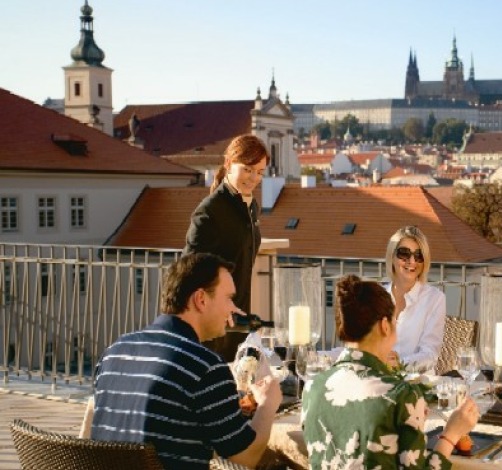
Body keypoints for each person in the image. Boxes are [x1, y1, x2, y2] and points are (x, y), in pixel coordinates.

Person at [91, 253, 282, 469]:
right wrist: (268, 404)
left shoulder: (114, 352)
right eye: (229, 298)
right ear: (201, 299)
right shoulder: (205, 367)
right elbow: (245, 457)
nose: (233, 309)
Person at [302, 274, 478, 469]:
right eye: (395, 321)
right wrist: (451, 434)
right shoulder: (401, 396)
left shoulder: (312, 388)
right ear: (385, 326)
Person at [184, 134, 269, 361]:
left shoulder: (250, 207)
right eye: (247, 169)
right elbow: (188, 272)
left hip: (236, 321)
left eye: (260, 172)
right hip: (211, 326)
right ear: (229, 164)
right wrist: (220, 303)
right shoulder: (210, 211)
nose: (254, 178)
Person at [384, 225, 445, 369]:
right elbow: (360, 346)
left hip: (416, 380)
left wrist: (400, 364)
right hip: (378, 377)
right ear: (392, 256)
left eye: (418, 255)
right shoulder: (377, 296)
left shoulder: (435, 299)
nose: (412, 261)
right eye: (404, 253)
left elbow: (430, 354)